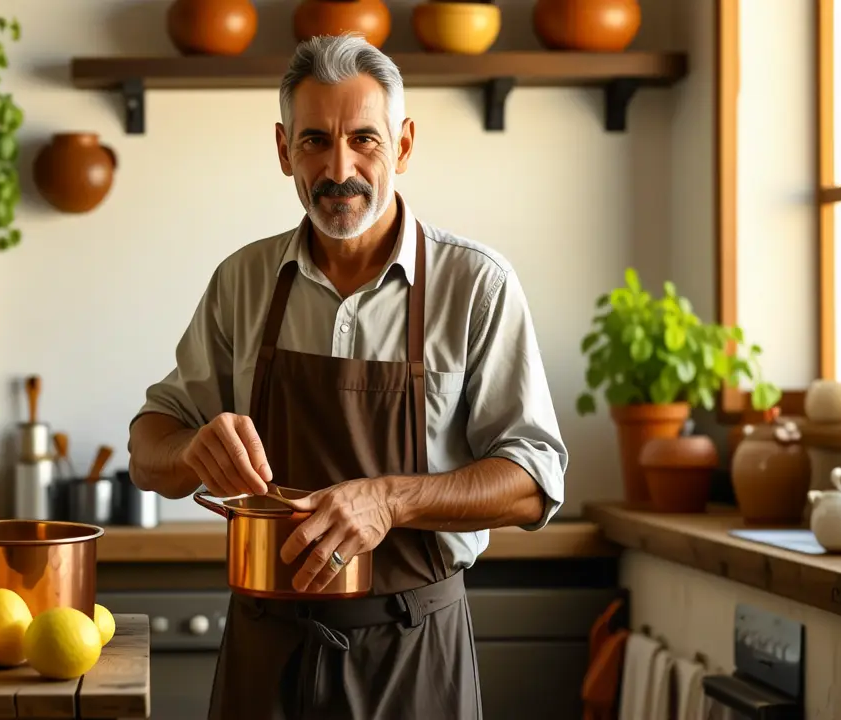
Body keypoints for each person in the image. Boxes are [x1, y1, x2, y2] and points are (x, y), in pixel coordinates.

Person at [127, 33, 568, 720]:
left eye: (365, 139)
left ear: (405, 143)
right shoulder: (242, 282)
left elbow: (534, 481)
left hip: (415, 655)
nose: (340, 169)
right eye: (314, 142)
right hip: (264, 656)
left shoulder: (476, 286)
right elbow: (148, 446)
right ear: (282, 150)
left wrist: (389, 501)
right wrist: (188, 450)